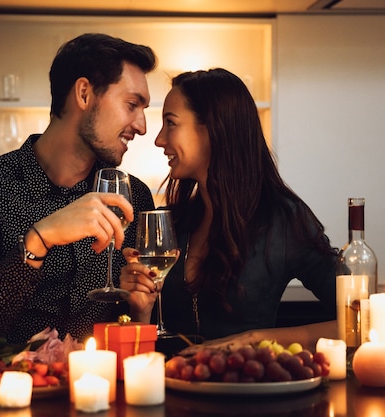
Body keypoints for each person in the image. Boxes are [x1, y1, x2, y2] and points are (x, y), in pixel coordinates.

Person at [0, 33, 157, 354]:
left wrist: (139, 309)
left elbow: (133, 335)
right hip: (7, 394)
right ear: (84, 93)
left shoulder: (133, 197)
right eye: (131, 105)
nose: (141, 126)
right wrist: (38, 242)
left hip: (102, 396)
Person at [120, 68, 337, 350]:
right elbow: (144, 349)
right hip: (170, 389)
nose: (159, 139)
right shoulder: (173, 223)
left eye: (170, 123)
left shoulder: (284, 219)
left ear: (213, 129)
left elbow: (362, 320)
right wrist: (140, 310)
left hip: (244, 391)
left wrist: (253, 340)